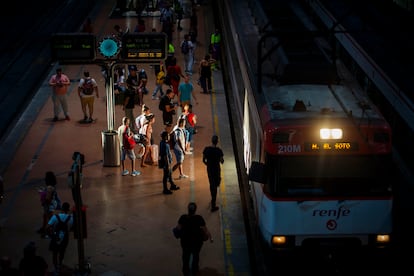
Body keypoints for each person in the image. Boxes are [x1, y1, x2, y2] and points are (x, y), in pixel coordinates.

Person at [175, 202, 212, 276]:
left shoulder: (183, 217)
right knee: (196, 256)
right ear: (195, 210)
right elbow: (206, 230)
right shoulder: (199, 218)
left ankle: (185, 271)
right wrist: (210, 237)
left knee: (185, 256)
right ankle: (195, 270)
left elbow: (178, 228)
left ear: (188, 209)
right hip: (196, 243)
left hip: (185, 242)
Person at [46, 202, 73, 275]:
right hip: (65, 238)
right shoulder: (71, 218)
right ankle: (60, 264)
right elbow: (72, 229)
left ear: (61, 208)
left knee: (54, 253)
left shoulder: (55, 217)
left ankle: (55, 268)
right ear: (68, 209)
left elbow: (47, 227)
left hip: (55, 237)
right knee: (62, 252)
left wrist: (51, 235)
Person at [203, 135, 224, 212]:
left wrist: (208, 165)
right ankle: (213, 204)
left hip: (209, 169)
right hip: (216, 170)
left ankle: (213, 199)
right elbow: (222, 161)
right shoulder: (219, 151)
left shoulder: (207, 149)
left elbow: (203, 160)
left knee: (212, 184)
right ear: (217, 142)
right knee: (216, 184)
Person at [125, 65, 142, 132]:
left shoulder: (137, 76)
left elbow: (141, 82)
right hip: (132, 89)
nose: (132, 72)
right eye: (131, 71)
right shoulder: (129, 77)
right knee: (130, 115)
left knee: (140, 91)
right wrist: (133, 87)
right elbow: (128, 84)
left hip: (136, 88)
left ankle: (140, 101)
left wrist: (138, 87)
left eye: (133, 71)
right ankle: (131, 128)